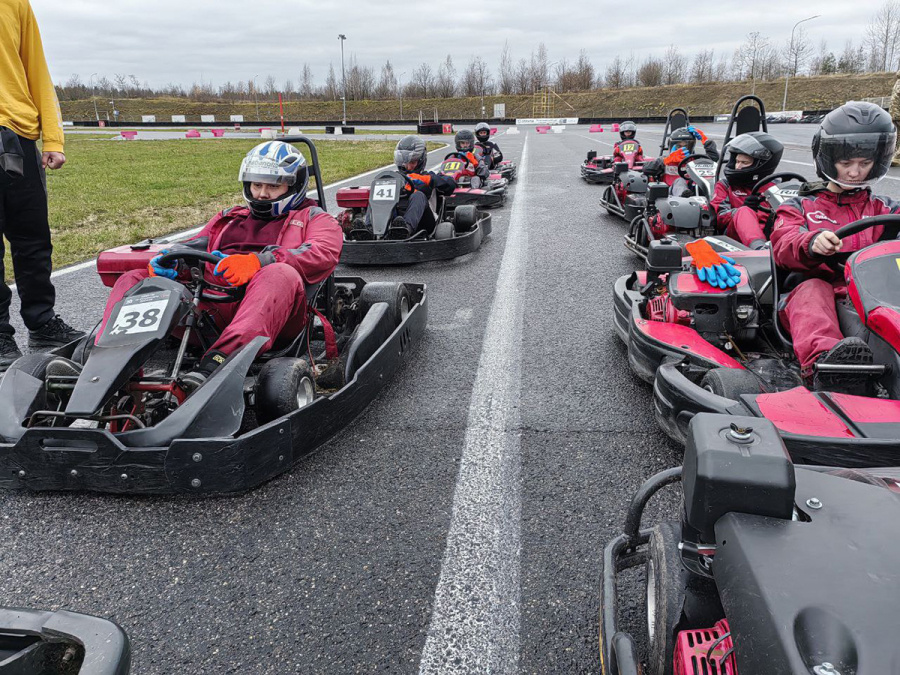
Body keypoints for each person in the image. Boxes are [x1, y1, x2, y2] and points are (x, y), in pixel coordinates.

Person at [98, 141, 343, 391]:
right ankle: (110, 363)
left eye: (273, 186)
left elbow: (322, 253)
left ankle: (214, 365)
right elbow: (193, 248)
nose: (262, 194)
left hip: (276, 315)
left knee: (279, 273)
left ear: (294, 186)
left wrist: (260, 261)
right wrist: (174, 263)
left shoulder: (314, 218)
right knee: (135, 279)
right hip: (209, 311)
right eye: (257, 185)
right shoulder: (228, 218)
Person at [771, 101, 900, 393]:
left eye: (864, 163)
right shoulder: (801, 206)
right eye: (846, 163)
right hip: (819, 294)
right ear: (829, 159)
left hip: (877, 298)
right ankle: (830, 370)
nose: (855, 172)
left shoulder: (888, 209)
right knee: (813, 289)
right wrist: (812, 242)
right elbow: (783, 242)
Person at [0, 0, 85, 371]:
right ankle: (0, 336)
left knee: (33, 238)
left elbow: (36, 68)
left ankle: (42, 322)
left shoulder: (14, 3)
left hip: (17, 135)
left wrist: (53, 138)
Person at [711, 132, 784, 249]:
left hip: (773, 235)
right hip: (735, 237)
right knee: (744, 211)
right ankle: (759, 249)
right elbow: (720, 217)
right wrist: (743, 208)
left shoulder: (776, 187)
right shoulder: (725, 185)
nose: (738, 167)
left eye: (744, 162)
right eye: (737, 161)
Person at [383, 135, 456, 239]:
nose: (408, 166)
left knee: (418, 195)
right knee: (376, 195)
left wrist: (428, 180)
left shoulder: (428, 176)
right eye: (404, 162)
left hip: (425, 222)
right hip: (395, 221)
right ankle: (370, 229)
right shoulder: (394, 177)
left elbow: (451, 184)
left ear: (421, 161)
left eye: (412, 162)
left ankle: (404, 230)